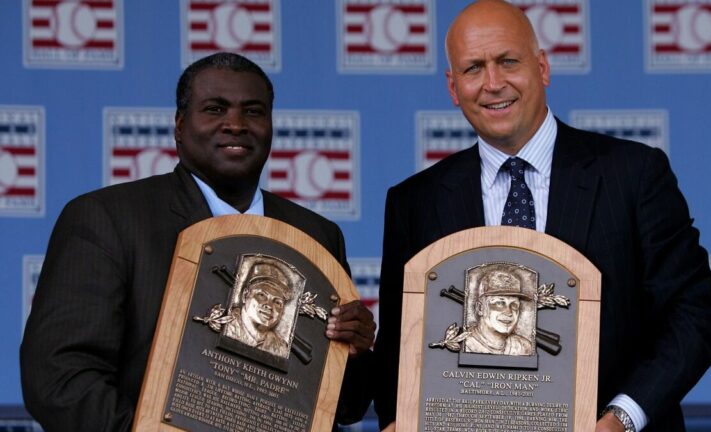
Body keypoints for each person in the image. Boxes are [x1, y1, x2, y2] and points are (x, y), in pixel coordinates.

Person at [373, 1, 711, 431]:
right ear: (452, 87)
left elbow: (694, 315)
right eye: (473, 69)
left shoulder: (632, 174)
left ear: (542, 68)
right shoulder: (414, 202)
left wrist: (620, 419)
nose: (493, 83)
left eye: (507, 62)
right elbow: (398, 353)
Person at [20, 52, 376, 432]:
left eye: (253, 111)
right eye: (215, 109)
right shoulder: (107, 218)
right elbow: (59, 378)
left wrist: (355, 352)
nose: (236, 124)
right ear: (179, 124)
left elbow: (346, 407)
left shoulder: (316, 236)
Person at [224, 266, 295, 358]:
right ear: (245, 295)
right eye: (262, 295)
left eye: (277, 302)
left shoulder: (281, 349)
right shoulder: (224, 325)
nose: (269, 306)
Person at [464, 270, 534, 356]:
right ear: (480, 308)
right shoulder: (465, 343)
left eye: (514, 305)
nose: (509, 312)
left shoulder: (524, 347)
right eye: (499, 303)